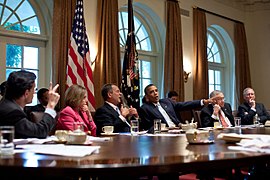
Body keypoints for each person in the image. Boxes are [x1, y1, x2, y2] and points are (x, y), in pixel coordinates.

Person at [0, 70, 60, 138]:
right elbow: (40, 131)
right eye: (34, 89)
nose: (34, 92)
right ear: (26, 93)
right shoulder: (12, 112)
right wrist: (50, 106)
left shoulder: (7, 105)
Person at [139, 84, 215, 132]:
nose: (155, 93)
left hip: (179, 130)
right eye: (152, 92)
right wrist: (167, 128)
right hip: (164, 134)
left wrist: (203, 102)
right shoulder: (145, 108)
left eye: (156, 90)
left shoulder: (166, 101)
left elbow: (184, 105)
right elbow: (148, 128)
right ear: (147, 97)